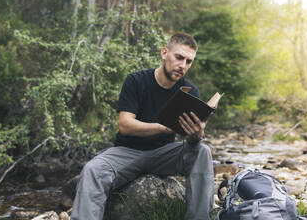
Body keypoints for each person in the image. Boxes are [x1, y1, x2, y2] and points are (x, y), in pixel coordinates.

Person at [71, 33, 214, 220]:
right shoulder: (136, 81)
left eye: (189, 61)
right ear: (164, 53)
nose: (183, 65)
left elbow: (192, 142)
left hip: (165, 154)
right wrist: (164, 127)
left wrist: (196, 134)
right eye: (179, 57)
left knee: (202, 150)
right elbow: (125, 125)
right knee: (93, 170)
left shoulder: (190, 91)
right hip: (127, 152)